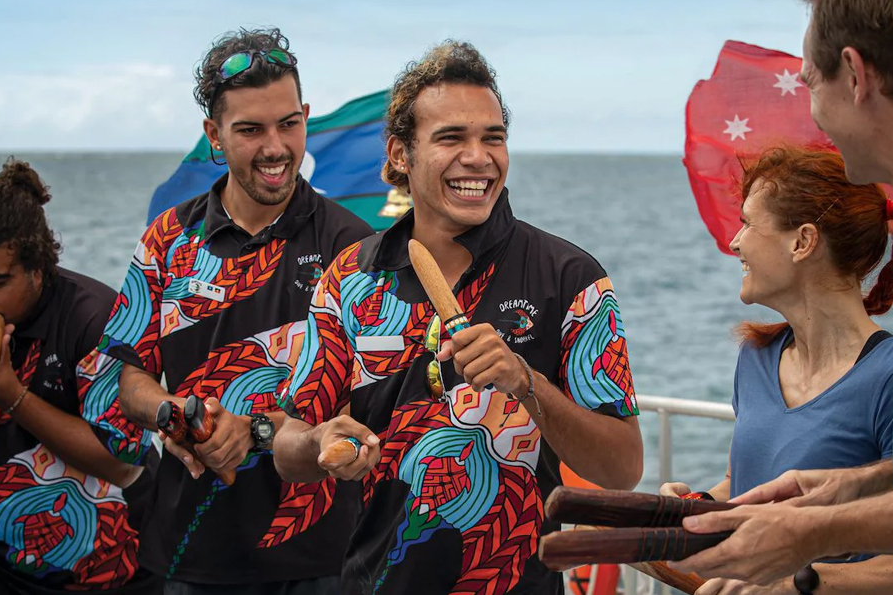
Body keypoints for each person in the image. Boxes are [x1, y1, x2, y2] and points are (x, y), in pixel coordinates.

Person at [673, 0, 893, 594]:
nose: (811, 110)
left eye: (810, 80)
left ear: (856, 76)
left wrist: (808, 539)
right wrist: (849, 485)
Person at [272, 41, 644, 595]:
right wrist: (321, 440)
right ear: (400, 154)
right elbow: (289, 449)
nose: (479, 157)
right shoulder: (348, 278)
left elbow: (623, 468)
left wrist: (527, 383)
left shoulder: (570, 277)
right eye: (451, 138)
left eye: (493, 137)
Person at [76, 27, 373, 594]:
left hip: (321, 557)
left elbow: (366, 407)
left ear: (306, 115)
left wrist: (253, 430)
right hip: (190, 551)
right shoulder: (167, 238)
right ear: (214, 134)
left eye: (289, 123)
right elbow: (130, 377)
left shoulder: (354, 247)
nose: (275, 147)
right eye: (250, 129)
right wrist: (172, 414)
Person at [0, 159, 160, 593]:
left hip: (111, 567)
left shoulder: (97, 321)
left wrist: (11, 394)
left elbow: (122, 462)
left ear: (38, 268)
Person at [661, 146, 893, 595]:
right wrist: (692, 509)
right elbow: (745, 481)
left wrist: (800, 583)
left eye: (748, 223)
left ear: (802, 241)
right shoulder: (757, 356)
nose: (735, 242)